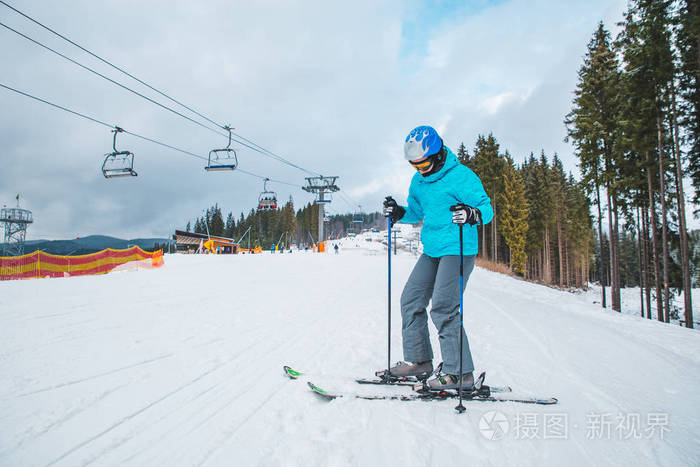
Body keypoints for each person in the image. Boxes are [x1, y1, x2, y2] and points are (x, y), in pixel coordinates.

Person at [382, 125, 493, 391]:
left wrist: (471, 213)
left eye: (424, 163)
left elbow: (486, 209)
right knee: (410, 300)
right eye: (415, 165)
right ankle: (420, 362)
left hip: (458, 248)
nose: (420, 169)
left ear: (439, 154)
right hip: (432, 249)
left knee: (444, 307)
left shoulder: (461, 177)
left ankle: (461, 373)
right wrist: (399, 212)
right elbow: (416, 211)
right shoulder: (419, 181)